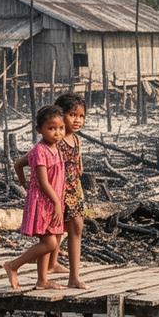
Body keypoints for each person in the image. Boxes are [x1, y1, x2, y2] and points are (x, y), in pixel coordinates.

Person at [5, 105, 68, 290]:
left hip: (54, 201)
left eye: (60, 128)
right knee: (49, 243)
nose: (57, 133)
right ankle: (13, 265)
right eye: (51, 128)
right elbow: (42, 182)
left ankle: (42, 281)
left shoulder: (55, 148)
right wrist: (28, 186)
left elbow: (18, 164)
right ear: (39, 129)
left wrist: (24, 182)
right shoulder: (40, 151)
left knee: (49, 240)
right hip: (45, 202)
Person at [53, 94, 89, 289]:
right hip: (58, 191)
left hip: (74, 190)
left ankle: (73, 276)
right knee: (56, 230)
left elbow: (78, 164)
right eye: (72, 115)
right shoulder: (55, 141)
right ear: (60, 115)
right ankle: (52, 264)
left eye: (81, 116)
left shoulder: (75, 140)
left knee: (76, 227)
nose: (77, 120)